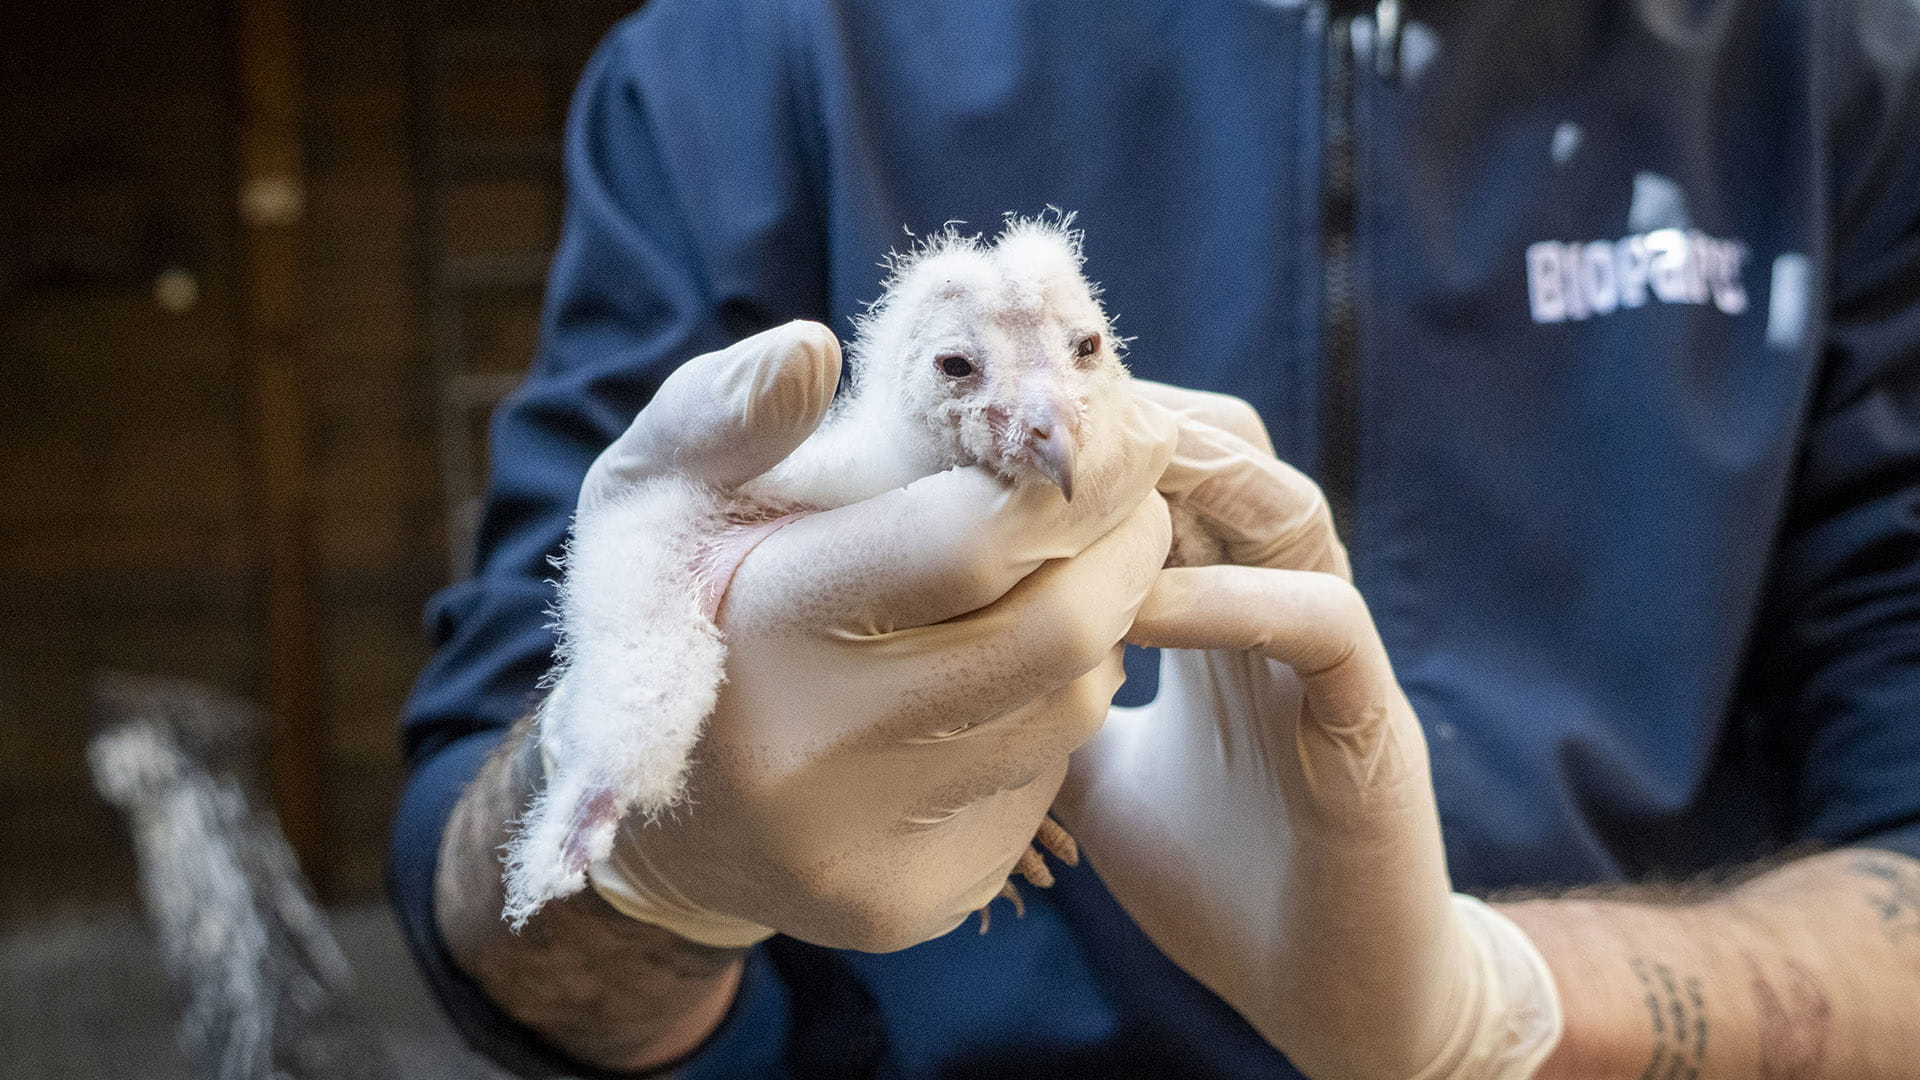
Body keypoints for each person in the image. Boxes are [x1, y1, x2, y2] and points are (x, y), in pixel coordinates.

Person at [390, 1, 1920, 1076]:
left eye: (1080, 362)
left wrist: (1502, 1011)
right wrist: (666, 849)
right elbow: (484, 909)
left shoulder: (1838, 66)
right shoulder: (761, 52)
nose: (1043, 414)